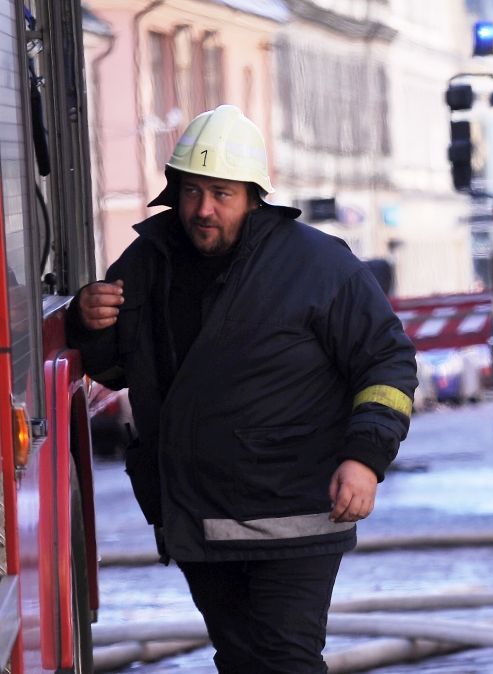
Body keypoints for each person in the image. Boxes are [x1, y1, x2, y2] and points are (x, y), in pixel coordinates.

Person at [67, 104, 417, 674]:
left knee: (285, 659)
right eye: (192, 191)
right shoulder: (149, 261)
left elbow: (388, 363)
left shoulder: (321, 266)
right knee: (239, 660)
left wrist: (364, 458)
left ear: (254, 196)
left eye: (221, 194)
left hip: (295, 516)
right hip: (196, 517)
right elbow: (117, 372)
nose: (203, 210)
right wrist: (90, 323)